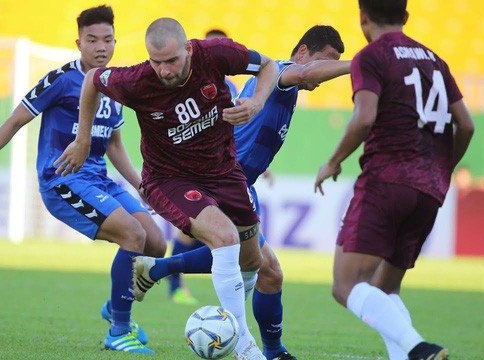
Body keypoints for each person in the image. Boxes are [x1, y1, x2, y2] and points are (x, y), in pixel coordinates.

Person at [56, 17, 279, 360]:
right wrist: (82, 139)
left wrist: (258, 101)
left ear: (188, 48)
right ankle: (244, 345)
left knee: (253, 261)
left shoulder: (217, 54)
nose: (164, 70)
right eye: (156, 62)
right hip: (168, 179)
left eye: (172, 61)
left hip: (223, 170)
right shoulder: (137, 80)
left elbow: (269, 66)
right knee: (224, 238)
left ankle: (156, 270)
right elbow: (92, 81)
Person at [0, 5, 166, 354]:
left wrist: (143, 186)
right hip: (63, 181)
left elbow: (114, 143)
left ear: (116, 42)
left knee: (156, 244)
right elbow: (13, 122)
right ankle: (119, 330)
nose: (101, 46)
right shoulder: (60, 80)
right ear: (78, 42)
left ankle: (116, 305)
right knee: (133, 234)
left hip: (100, 179)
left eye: (108, 40)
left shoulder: (115, 83)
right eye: (92, 40)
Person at [131, 25, 351, 360]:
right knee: (257, 264)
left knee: (263, 269)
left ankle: (160, 271)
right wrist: (360, 65)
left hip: (238, 182)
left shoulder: (283, 89)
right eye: (326, 62)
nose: (323, 77)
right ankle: (250, 345)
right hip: (220, 183)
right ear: (303, 52)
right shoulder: (281, 72)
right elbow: (306, 72)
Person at [313, 1, 475, 360]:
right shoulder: (435, 60)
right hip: (430, 189)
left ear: (363, 17)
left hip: (386, 181)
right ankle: (410, 353)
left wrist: (333, 161)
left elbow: (364, 116)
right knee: (385, 290)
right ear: (406, 17)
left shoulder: (371, 56)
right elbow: (466, 124)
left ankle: (418, 348)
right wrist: (441, 168)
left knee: (345, 286)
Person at [165, 27, 241, 306]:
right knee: (191, 231)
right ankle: (174, 285)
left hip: (221, 167)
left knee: (226, 235)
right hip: (187, 168)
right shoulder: (182, 81)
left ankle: (165, 273)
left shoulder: (230, 88)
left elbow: (232, 130)